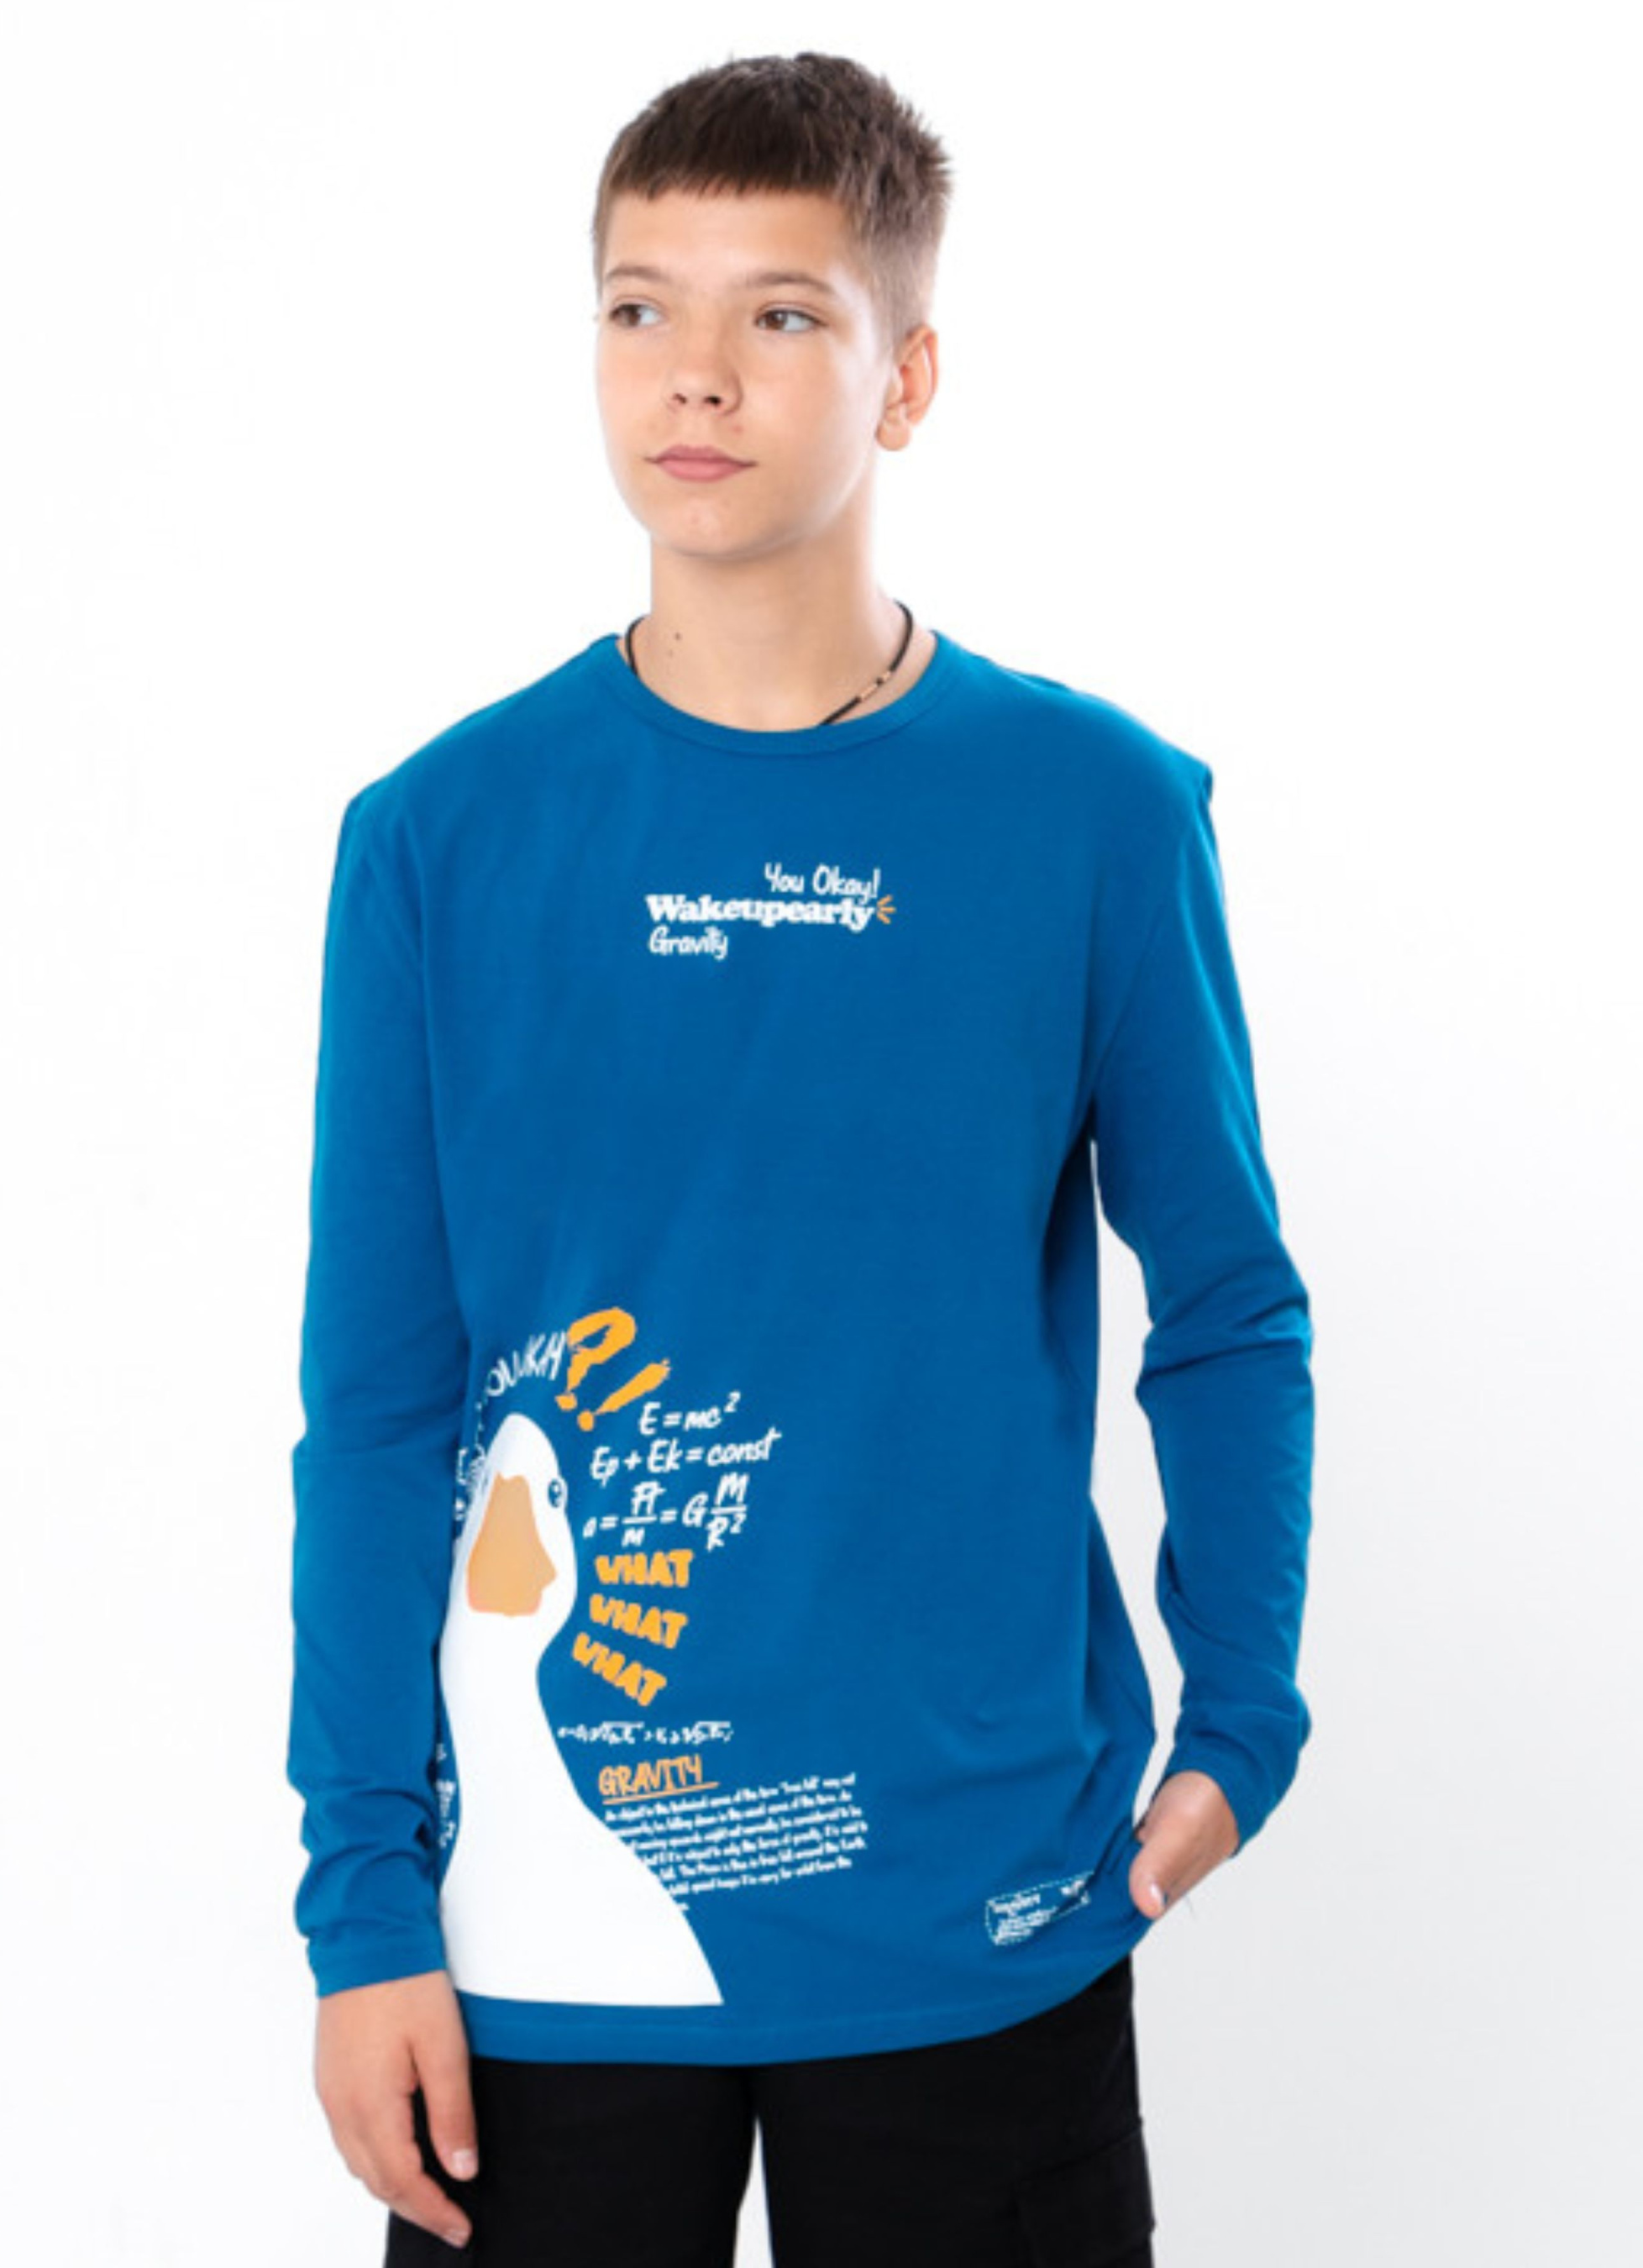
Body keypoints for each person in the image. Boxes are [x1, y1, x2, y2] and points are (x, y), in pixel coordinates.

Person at [285, 49, 1315, 2268]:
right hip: (542, 1922)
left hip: (977, 1899)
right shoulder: (438, 838)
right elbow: (373, 1405)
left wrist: (1243, 1709)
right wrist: (360, 1900)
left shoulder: (1094, 813)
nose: (696, 373)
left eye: (781, 312)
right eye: (638, 307)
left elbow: (1228, 1304)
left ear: (906, 374)